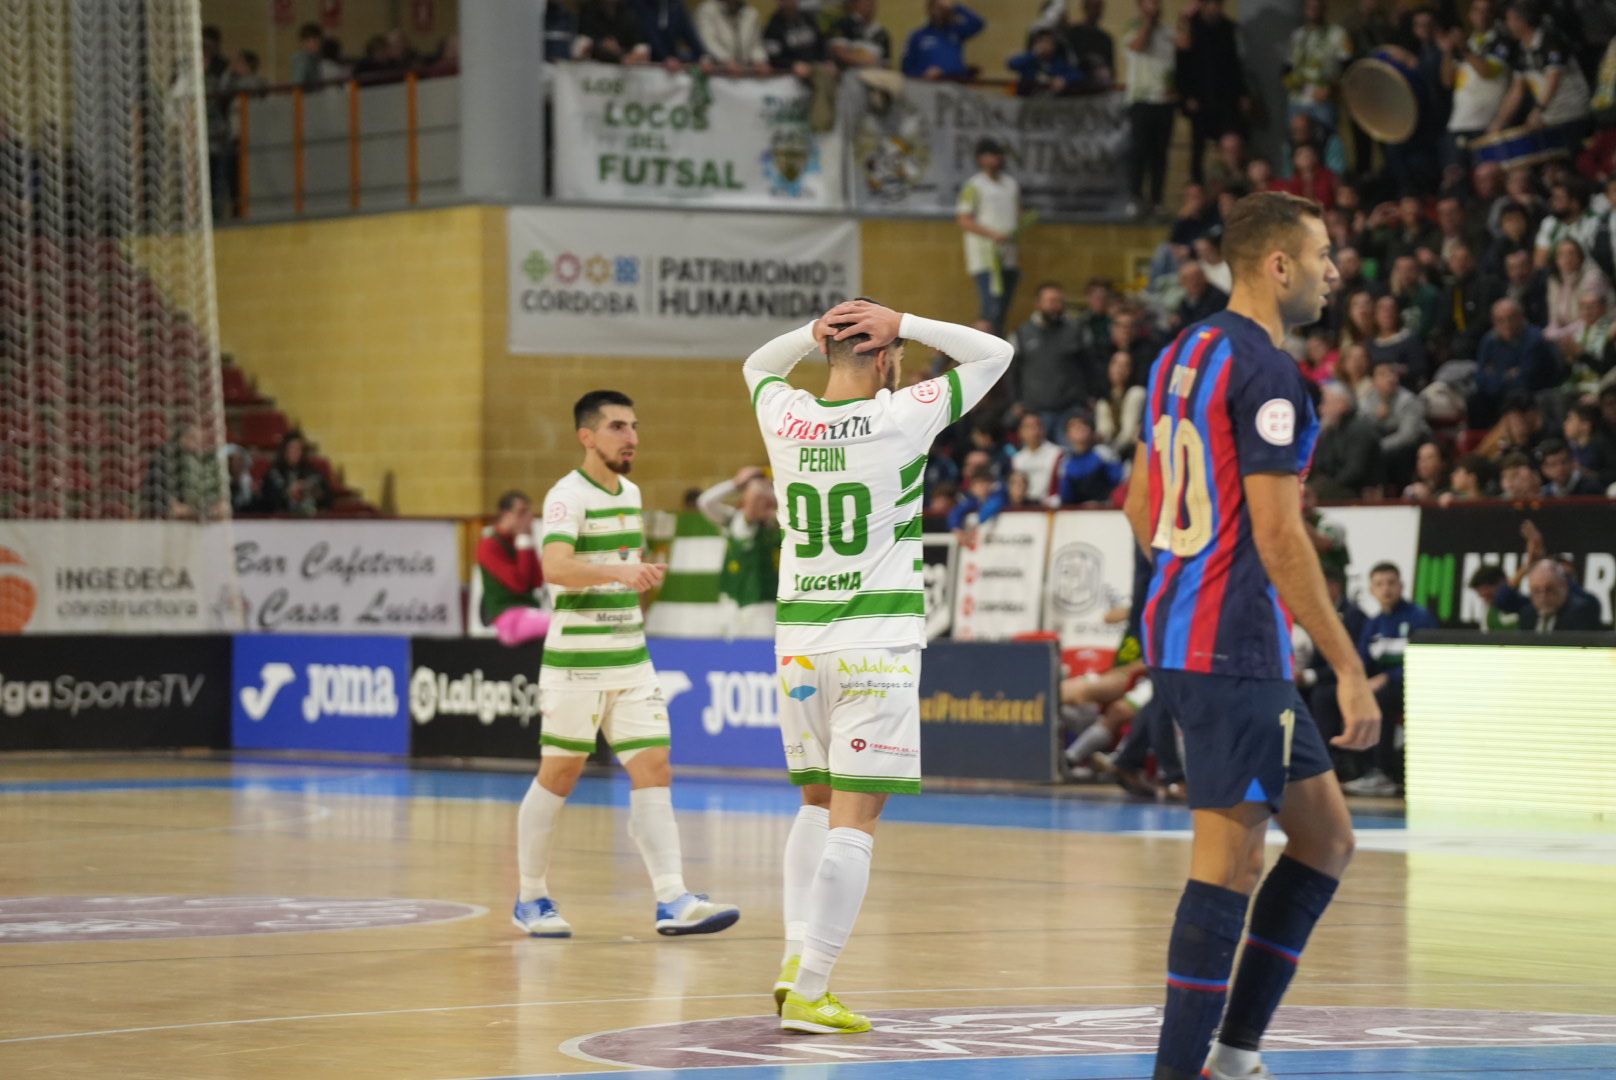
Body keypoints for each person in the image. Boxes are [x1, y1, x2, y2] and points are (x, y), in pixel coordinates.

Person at [1122, 191, 1379, 1080]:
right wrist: (1348, 667)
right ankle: (1181, 1072)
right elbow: (1278, 536)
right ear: (1278, 265)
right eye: (1322, 256)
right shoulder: (1269, 370)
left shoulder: (1178, 354)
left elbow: (1139, 503)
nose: (1333, 271)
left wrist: (1183, 575)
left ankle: (1232, 1056)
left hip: (1191, 631)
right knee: (1228, 864)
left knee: (1327, 840)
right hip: (1231, 647)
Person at [742, 298, 1012, 1033]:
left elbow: (756, 364)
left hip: (799, 643)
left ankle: (796, 956)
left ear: (829, 356)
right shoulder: (903, 414)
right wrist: (910, 320)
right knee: (856, 822)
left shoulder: (786, 415)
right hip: (875, 646)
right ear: (887, 360)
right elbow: (995, 354)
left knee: (815, 801)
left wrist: (809, 333)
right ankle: (814, 987)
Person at [514, 391, 740, 940]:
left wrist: (631, 574)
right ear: (587, 437)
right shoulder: (567, 496)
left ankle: (672, 898)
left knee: (654, 766)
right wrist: (619, 575)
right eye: (617, 427)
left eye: (635, 426)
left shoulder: (633, 492)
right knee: (560, 775)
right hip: (576, 665)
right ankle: (530, 896)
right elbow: (556, 567)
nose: (631, 437)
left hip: (631, 658)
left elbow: (614, 567)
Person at [1340, 563, 1437, 797]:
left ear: (1401, 586)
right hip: (1381, 685)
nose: (1386, 589)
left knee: (1380, 698)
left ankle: (1383, 772)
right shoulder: (1373, 624)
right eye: (1379, 584)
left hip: (1415, 684)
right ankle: (1348, 769)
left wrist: (1386, 677)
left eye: (1391, 583)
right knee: (1331, 695)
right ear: (1372, 590)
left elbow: (1426, 659)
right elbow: (1361, 661)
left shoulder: (1419, 617)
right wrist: (1355, 683)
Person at [1490, 0, 1592, 145]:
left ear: (1521, 21)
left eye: (1509, 20)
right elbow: (1516, 91)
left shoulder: (1550, 40)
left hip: (1572, 114)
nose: (1507, 25)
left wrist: (1538, 109)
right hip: (1549, 118)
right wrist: (1498, 122)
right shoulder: (1521, 50)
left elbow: (1553, 78)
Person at [697, 466, 781, 637]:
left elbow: (758, 494)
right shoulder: (735, 519)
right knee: (728, 658)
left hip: (764, 604)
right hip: (731, 601)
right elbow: (705, 502)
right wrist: (735, 483)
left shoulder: (779, 522)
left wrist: (768, 489)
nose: (757, 498)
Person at [1175, 0, 1249, 186]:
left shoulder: (1228, 28)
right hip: (1199, 97)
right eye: (1210, 4)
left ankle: (1235, 183)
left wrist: (1242, 93)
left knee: (1232, 141)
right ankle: (1197, 186)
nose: (1214, 8)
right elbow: (1181, 66)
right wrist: (1186, 96)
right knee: (1198, 147)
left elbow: (1235, 65)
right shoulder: (1192, 27)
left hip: (1226, 96)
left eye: (1218, 4)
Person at [956, 138, 1022, 336]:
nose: (996, 159)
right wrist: (993, 234)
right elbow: (964, 220)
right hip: (986, 258)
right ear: (981, 159)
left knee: (1003, 310)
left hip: (1009, 256)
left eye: (999, 154)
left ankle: (999, 351)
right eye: (991, 155)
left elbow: (1016, 212)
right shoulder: (974, 186)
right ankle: (983, 351)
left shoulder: (1011, 184)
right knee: (991, 309)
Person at [1124, 0, 1178, 219]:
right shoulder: (1133, 27)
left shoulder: (1168, 32)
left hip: (1165, 102)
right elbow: (1138, 46)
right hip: (1141, 100)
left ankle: (1157, 200)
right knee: (1139, 152)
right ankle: (1135, 198)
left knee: (1160, 155)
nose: (1155, 5)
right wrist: (1148, 22)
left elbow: (1183, 52)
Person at [1010, 282, 1089, 429]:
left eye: (1060, 301)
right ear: (1038, 304)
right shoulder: (1022, 333)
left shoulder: (1076, 330)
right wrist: (1016, 401)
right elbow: (1013, 371)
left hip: (1070, 410)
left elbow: (1088, 365)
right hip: (1035, 413)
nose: (1056, 306)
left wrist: (1089, 397)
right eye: (1051, 301)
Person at [478, 491, 550, 646]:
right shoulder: (489, 545)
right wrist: (524, 540)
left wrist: (527, 541)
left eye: (528, 512)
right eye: (521, 512)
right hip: (508, 618)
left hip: (528, 611)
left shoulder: (518, 540)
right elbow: (519, 584)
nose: (528, 518)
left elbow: (537, 581)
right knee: (558, 625)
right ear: (506, 514)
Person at [1472, 297, 1559, 425]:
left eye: (1511, 318)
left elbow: (1526, 379)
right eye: (1500, 320)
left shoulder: (1534, 340)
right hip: (1498, 393)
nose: (1507, 324)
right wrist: (1507, 375)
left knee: (1514, 397)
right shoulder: (1488, 341)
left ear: (1521, 317)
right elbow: (1480, 377)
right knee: (1474, 399)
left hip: (1529, 393)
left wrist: (1495, 374)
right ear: (1493, 322)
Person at [1358, 358, 1430, 487]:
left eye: (1392, 373)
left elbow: (1408, 436)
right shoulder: (1369, 399)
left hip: (1413, 444)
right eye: (1383, 374)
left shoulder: (1408, 400)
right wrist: (1376, 418)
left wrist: (1377, 448)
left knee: (1394, 456)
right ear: (1374, 380)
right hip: (1385, 442)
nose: (1389, 378)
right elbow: (1361, 427)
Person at [1309, 381, 1384, 500]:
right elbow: (1320, 464)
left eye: (1325, 402)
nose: (1320, 408)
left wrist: (1329, 484)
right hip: (1336, 486)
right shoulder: (1330, 431)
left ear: (1341, 405)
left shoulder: (1361, 429)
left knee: (1315, 491)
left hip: (1357, 491)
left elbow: (1355, 471)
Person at [1284, 0, 1351, 131]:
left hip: (1323, 102)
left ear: (1324, 9)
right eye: (1309, 7)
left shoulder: (1338, 34)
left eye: (1317, 7)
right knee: (1297, 145)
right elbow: (1286, 69)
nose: (1313, 11)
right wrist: (1292, 85)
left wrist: (1331, 90)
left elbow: (1348, 68)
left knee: (1325, 142)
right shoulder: (1297, 36)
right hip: (1297, 101)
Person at [900, 0, 983, 79]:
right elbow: (906, 68)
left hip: (956, 82)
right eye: (938, 8)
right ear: (930, 9)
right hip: (926, 84)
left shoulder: (956, 31)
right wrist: (923, 73)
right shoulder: (917, 36)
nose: (941, 12)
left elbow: (978, 23)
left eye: (944, 9)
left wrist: (955, 6)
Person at [1057, 411, 1123, 505]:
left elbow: (1119, 484)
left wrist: (1104, 503)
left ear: (1092, 431)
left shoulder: (1103, 453)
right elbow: (1066, 497)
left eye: (1083, 425)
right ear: (1068, 435)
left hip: (1106, 508)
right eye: (1074, 427)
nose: (1079, 428)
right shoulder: (1066, 462)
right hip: (1078, 512)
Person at [1519, 558, 1604, 630]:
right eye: (1536, 590)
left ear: (1564, 586)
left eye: (1549, 589)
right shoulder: (1527, 614)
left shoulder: (1582, 613)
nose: (1543, 596)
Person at [257, 430, 328, 516]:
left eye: (298, 449)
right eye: (292, 448)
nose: (295, 452)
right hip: (281, 522)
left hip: (309, 522)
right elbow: (266, 502)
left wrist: (314, 491)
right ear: (284, 450)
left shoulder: (311, 472)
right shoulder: (274, 473)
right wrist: (288, 493)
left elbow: (327, 497)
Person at [697, 0, 772, 74]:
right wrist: (727, 60)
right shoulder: (707, 10)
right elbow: (709, 41)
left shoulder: (751, 13)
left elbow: (755, 44)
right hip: (718, 70)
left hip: (743, 71)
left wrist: (760, 60)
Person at [1096, 350, 1148, 458]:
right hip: (1113, 451)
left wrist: (1111, 452)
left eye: (1126, 365)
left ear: (1132, 370)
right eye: (1115, 363)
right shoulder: (1104, 401)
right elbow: (1105, 432)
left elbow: (1128, 434)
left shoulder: (1137, 393)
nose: (1119, 369)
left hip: (1133, 452)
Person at [1011, 411, 1064, 507]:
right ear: (1021, 432)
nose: (1034, 431)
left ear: (1043, 429)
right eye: (1029, 427)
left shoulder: (1057, 454)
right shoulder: (1017, 459)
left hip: (1048, 507)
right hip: (1023, 508)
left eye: (1037, 426)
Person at [1008, 28, 1082, 97]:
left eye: (1049, 42)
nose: (1045, 45)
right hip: (1029, 99)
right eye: (1041, 42)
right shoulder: (1029, 61)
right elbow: (1012, 64)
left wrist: (1065, 79)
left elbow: (1078, 74)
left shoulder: (1059, 62)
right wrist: (1033, 54)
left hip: (1051, 101)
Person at [635, 0, 710, 67]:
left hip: (672, 62)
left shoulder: (675, 5)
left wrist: (703, 57)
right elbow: (650, 33)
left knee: (688, 57)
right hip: (647, 61)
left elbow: (690, 34)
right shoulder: (639, 4)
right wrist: (665, 57)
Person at [577, 0, 653, 63]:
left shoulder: (629, 14)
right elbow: (582, 44)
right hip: (594, 66)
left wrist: (621, 52)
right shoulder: (588, 11)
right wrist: (601, 45)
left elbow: (640, 47)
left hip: (624, 68)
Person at [764, 0, 825, 76]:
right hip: (792, 71)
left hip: (815, 64)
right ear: (779, 3)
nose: (790, 3)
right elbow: (773, 56)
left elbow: (821, 42)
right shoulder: (772, 27)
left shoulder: (808, 18)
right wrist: (792, 64)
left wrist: (825, 60)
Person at [1563, 401, 1616, 488]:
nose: (1565, 424)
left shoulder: (1602, 445)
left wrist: (1588, 474)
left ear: (1585, 425)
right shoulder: (1571, 448)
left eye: (1570, 419)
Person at [1066, 0, 1115, 88]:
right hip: (1074, 87)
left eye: (1099, 8)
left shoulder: (1106, 39)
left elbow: (1111, 70)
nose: (1097, 11)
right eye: (1093, 7)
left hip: (1099, 89)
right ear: (1084, 8)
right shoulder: (1072, 33)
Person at [828, 0, 892, 68]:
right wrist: (863, 61)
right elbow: (839, 52)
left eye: (871, 4)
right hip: (849, 74)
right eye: (864, 3)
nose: (868, 7)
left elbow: (886, 63)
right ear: (855, 4)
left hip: (875, 75)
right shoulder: (844, 24)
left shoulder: (883, 34)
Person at [1537, 437, 1603, 495]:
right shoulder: (1544, 494)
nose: (1560, 468)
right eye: (1553, 464)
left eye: (1564, 462)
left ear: (1572, 462)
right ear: (1544, 469)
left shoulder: (1591, 488)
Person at [1175, 259, 1229, 328]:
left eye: (1197, 277)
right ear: (1182, 283)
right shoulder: (1187, 299)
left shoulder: (1218, 298)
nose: (1194, 282)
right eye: (1188, 280)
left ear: (1204, 277)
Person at [291, 23, 324, 87]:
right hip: (307, 96)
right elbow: (298, 84)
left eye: (315, 41)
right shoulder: (301, 60)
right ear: (302, 43)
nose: (312, 44)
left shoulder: (320, 58)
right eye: (308, 41)